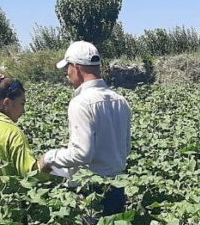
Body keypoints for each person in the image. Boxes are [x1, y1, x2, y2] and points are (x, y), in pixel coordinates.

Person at [37, 40, 132, 215]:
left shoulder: (81, 103)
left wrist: (49, 158)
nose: (67, 73)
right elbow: (125, 148)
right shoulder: (121, 100)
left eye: (68, 68)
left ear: (76, 67)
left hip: (91, 190)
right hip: (117, 188)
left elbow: (82, 153)